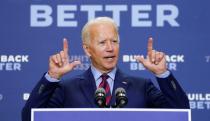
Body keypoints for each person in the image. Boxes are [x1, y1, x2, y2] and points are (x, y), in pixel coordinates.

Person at [22, 17, 189, 121]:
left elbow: (182, 114)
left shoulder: (142, 87)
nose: (110, 48)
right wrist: (51, 77)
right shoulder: (67, 89)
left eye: (114, 41)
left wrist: (162, 74)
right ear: (87, 49)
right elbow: (30, 117)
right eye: (102, 43)